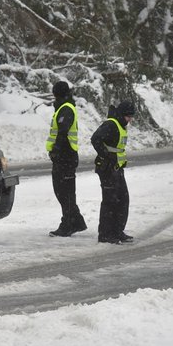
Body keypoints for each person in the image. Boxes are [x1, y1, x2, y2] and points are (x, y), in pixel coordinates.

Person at [91, 100, 136, 244]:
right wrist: (106, 156)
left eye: (131, 117)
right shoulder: (110, 124)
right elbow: (95, 139)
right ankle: (105, 235)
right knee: (110, 202)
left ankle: (117, 231)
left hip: (117, 168)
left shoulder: (121, 125)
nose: (130, 119)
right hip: (107, 169)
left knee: (122, 200)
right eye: (128, 116)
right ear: (122, 114)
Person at [46, 81, 87, 237]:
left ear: (56, 94)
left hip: (65, 156)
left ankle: (69, 223)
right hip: (65, 156)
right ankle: (75, 221)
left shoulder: (66, 109)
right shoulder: (64, 107)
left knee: (64, 192)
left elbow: (62, 132)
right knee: (64, 191)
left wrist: (56, 150)